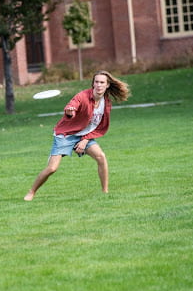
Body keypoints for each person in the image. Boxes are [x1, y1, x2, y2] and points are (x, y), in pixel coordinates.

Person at [24, 70, 130, 201]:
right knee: (52, 168)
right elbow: (72, 106)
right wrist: (70, 112)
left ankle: (105, 193)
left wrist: (85, 140)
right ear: (93, 84)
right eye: (96, 82)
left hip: (84, 135)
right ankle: (31, 192)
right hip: (66, 134)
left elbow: (100, 127)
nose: (99, 85)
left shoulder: (106, 103)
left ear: (107, 85)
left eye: (102, 82)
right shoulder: (82, 96)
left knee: (101, 157)